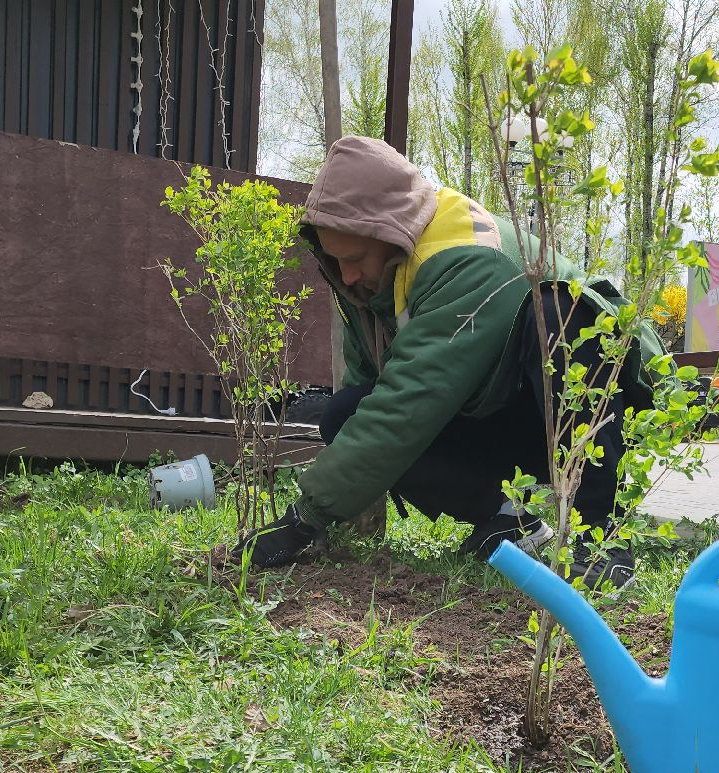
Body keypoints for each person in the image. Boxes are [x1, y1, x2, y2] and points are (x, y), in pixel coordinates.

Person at [237, 136, 647, 586]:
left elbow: (406, 407)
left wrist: (304, 518)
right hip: (500, 402)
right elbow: (373, 401)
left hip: (597, 399)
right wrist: (344, 506)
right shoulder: (371, 281)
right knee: (345, 411)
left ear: (390, 234)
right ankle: (512, 519)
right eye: (336, 261)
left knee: (556, 314)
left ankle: (600, 535)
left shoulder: (463, 260)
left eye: (354, 259)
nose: (347, 274)